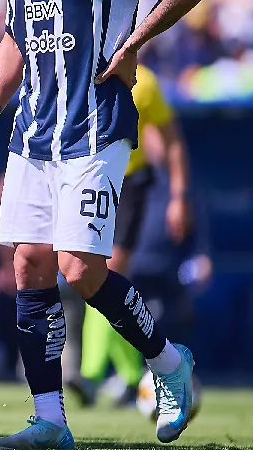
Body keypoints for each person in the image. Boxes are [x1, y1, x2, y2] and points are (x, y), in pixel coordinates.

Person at [0, 0, 206, 449]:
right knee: (29, 264)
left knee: (80, 269)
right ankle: (50, 420)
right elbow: (15, 41)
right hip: (31, 133)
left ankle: (169, 362)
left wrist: (132, 44)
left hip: (97, 130)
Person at [72, 64, 193, 406]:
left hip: (131, 184)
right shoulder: (82, 69)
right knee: (94, 277)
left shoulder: (147, 82)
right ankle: (129, 376)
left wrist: (179, 197)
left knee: (103, 275)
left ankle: (92, 374)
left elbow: (173, 143)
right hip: (91, 180)